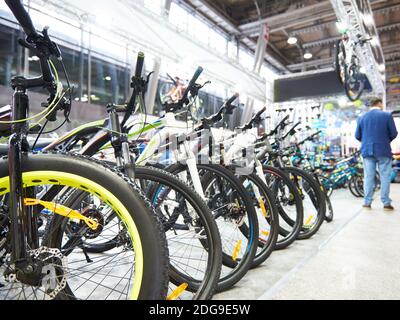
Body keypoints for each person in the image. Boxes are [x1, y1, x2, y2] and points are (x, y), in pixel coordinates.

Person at [355, 98, 398, 210]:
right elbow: (394, 133)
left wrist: (367, 141)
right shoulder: (387, 116)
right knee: (385, 176)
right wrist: (384, 140)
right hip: (383, 150)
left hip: (367, 150)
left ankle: (367, 202)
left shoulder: (362, 118)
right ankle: (386, 202)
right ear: (379, 103)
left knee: (369, 176)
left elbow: (357, 135)